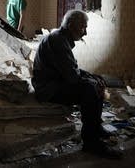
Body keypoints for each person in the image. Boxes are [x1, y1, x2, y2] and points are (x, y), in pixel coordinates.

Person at [31, 9, 123, 159]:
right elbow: (72, 77)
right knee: (90, 88)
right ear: (71, 25)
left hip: (56, 82)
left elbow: (71, 69)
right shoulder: (58, 41)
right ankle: (91, 142)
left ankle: (96, 127)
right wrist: (91, 81)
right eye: (83, 28)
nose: (85, 33)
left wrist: (94, 77)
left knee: (96, 80)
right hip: (48, 89)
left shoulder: (61, 38)